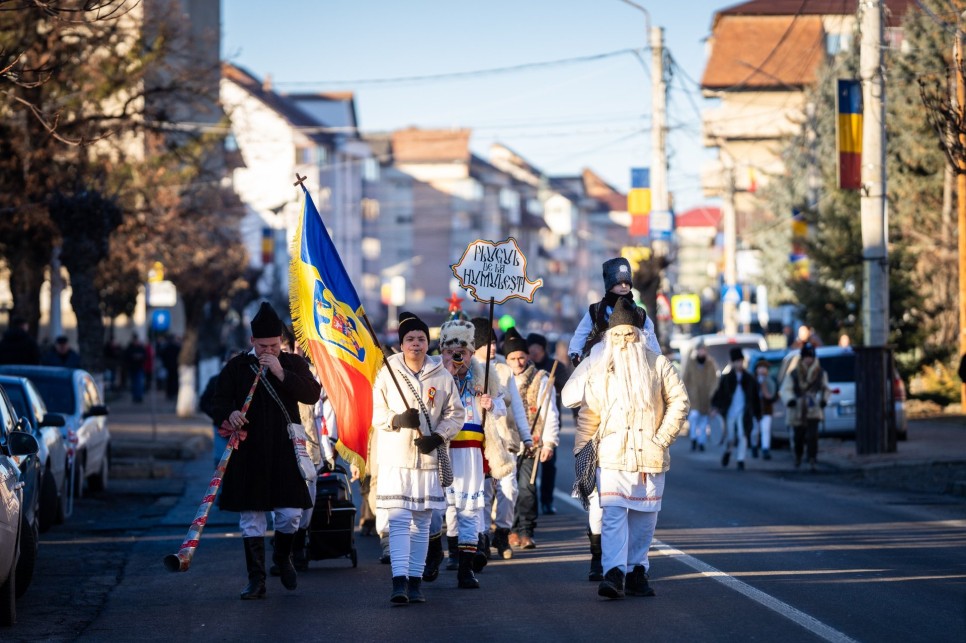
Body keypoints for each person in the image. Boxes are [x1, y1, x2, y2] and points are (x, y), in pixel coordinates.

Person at [572, 298, 689, 599]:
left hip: (650, 454)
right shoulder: (600, 370)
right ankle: (613, 573)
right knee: (612, 514)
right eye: (617, 336)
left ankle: (638, 570)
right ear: (610, 338)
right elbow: (588, 414)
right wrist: (581, 452)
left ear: (639, 336)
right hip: (611, 455)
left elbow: (680, 401)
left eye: (629, 335)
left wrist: (662, 438)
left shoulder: (659, 364)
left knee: (644, 519)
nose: (623, 341)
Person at [210, 302, 322, 600]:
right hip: (250, 452)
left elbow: (312, 394)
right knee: (252, 518)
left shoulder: (293, 364)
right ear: (252, 342)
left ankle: (282, 556)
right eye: (263, 346)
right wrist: (230, 414)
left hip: (286, 450)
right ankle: (256, 580)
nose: (269, 350)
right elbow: (217, 401)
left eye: (274, 345)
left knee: (290, 515)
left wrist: (280, 371)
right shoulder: (236, 367)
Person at [373, 311, 464, 604]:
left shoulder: (442, 374)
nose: (415, 344)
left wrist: (438, 436)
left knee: (423, 522)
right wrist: (397, 419)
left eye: (421, 339)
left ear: (428, 343)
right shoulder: (387, 371)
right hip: (396, 459)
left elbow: (455, 413)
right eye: (410, 339)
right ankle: (398, 582)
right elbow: (375, 412)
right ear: (401, 344)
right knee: (399, 520)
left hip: (427, 460)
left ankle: (415, 581)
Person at [439, 317, 515, 589]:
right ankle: (436, 553)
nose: (458, 356)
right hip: (443, 450)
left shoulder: (484, 375)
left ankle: (466, 569)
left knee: (469, 510)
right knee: (440, 508)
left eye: (463, 351)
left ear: (472, 352)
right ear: (443, 351)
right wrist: (446, 373)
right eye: (451, 351)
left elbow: (502, 409)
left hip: (471, 451)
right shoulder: (436, 374)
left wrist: (490, 402)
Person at [470, 317, 530, 560]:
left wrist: (526, 437)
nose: (493, 347)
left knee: (509, 489)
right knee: (484, 493)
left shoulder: (504, 370)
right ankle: (483, 537)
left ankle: (502, 532)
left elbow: (516, 405)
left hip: (505, 440)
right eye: (487, 342)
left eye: (494, 341)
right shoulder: (468, 368)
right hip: (478, 441)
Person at [502, 327, 558, 552]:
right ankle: (510, 529)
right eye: (513, 358)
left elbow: (550, 411)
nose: (518, 362)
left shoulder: (540, 379)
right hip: (506, 442)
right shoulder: (500, 378)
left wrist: (550, 441)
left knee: (526, 488)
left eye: (522, 357)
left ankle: (526, 530)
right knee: (507, 490)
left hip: (531, 444)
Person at [567, 257, 661, 364]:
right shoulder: (596, 311)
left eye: (627, 282)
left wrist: (657, 357)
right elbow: (581, 332)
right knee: (579, 379)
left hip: (633, 362)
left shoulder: (639, 313)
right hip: (600, 363)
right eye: (619, 283)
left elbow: (650, 335)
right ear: (610, 284)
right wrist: (575, 353)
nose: (624, 286)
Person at [525, 332, 566, 516]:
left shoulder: (556, 367)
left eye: (537, 351)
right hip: (529, 426)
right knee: (528, 470)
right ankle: (529, 506)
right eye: (531, 351)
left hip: (549, 424)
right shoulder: (526, 368)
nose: (534, 355)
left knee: (549, 466)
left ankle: (547, 501)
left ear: (544, 350)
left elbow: (568, 392)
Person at [780, 343, 830, 471]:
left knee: (813, 436)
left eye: (811, 357)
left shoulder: (820, 373)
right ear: (802, 358)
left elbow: (825, 388)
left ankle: (812, 458)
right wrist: (790, 400)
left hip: (813, 408)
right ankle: (798, 456)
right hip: (798, 408)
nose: (808, 360)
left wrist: (824, 400)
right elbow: (786, 389)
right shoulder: (794, 373)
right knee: (799, 437)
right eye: (806, 357)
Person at [711, 348, 761, 470]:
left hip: (744, 411)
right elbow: (719, 394)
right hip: (730, 410)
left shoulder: (749, 379)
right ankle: (728, 451)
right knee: (731, 436)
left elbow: (755, 397)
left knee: (743, 434)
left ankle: (741, 459)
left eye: (740, 361)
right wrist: (715, 407)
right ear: (732, 362)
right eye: (736, 361)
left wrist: (757, 414)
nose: (739, 363)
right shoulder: (727, 378)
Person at [681, 340, 718, 452]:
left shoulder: (710, 364)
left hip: (706, 398)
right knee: (694, 417)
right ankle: (693, 439)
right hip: (694, 397)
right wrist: (686, 393)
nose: (702, 352)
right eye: (700, 350)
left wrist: (712, 393)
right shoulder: (691, 363)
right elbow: (685, 379)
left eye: (704, 350)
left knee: (703, 421)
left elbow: (714, 380)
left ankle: (701, 442)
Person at [753, 359, 778, 460]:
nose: (762, 370)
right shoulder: (753, 380)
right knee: (754, 431)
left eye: (765, 368)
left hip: (767, 410)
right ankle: (754, 446)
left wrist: (763, 386)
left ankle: (765, 449)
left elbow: (772, 396)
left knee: (765, 430)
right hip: (755, 410)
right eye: (760, 368)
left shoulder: (770, 381)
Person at [124, 335, 149, 403]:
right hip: (132, 368)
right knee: (134, 383)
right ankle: (135, 396)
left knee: (139, 383)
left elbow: (145, 356)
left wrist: (140, 357)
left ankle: (139, 396)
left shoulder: (140, 348)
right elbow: (126, 357)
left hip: (139, 367)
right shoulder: (130, 348)